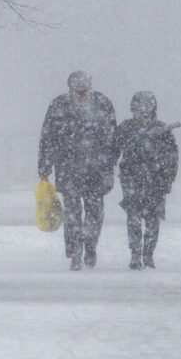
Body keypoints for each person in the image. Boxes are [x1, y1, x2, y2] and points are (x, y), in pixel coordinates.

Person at [38, 71, 117, 270]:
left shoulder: (103, 104)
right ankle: (74, 250)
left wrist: (109, 162)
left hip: (96, 170)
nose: (82, 96)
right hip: (68, 168)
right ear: (70, 89)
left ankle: (90, 246)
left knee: (94, 213)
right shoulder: (58, 106)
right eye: (77, 92)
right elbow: (48, 137)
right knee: (72, 213)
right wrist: (44, 166)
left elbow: (112, 137)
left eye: (85, 92)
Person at [112, 91, 179, 269]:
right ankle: (135, 254)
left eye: (147, 111)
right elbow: (114, 151)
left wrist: (168, 180)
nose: (143, 116)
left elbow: (172, 158)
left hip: (156, 182)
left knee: (152, 220)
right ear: (133, 110)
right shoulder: (125, 128)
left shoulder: (163, 130)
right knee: (133, 217)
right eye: (139, 111)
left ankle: (148, 255)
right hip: (131, 179)